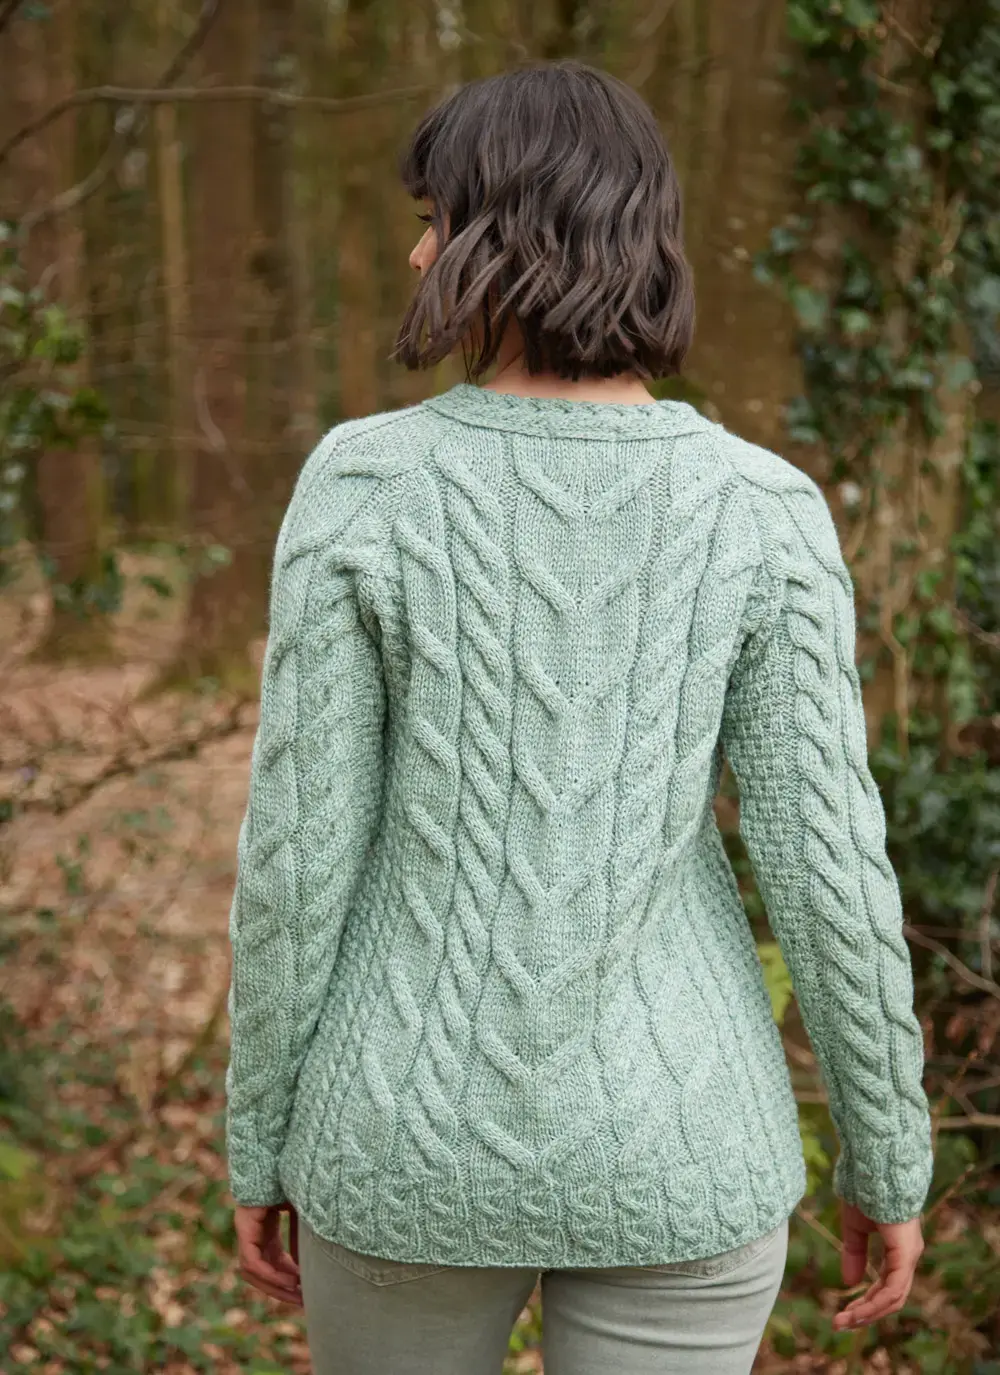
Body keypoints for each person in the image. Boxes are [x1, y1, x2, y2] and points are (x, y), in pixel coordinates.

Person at [224, 61, 933, 1375]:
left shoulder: (366, 485)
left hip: (402, 1141)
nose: (419, 253)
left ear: (506, 235)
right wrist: (888, 1152)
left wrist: (258, 1137)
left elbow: (298, 861)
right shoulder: (761, 508)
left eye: (436, 219)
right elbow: (829, 865)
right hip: (683, 1143)